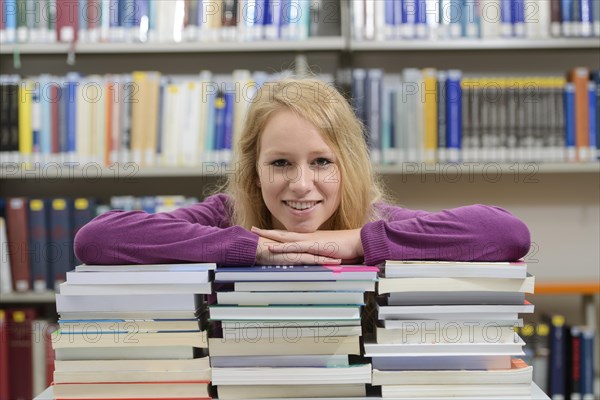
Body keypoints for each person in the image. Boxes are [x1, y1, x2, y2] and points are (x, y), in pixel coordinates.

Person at [74, 77, 531, 267]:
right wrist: (249, 247)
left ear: (346, 165)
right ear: (253, 171)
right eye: (279, 163)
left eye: (322, 162)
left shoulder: (374, 220)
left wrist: (356, 241)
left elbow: (506, 231)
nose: (301, 184)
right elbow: (96, 239)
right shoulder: (226, 214)